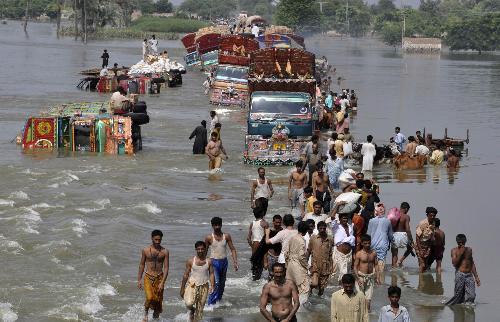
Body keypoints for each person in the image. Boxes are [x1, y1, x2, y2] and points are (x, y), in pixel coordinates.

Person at [205, 217, 238, 305]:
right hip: (213, 262)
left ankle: (218, 301)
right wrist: (202, 265)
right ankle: (210, 303)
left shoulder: (226, 236)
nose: (217, 227)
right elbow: (204, 252)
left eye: (219, 224)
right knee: (216, 283)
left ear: (221, 225)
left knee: (222, 284)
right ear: (212, 226)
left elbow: (233, 249)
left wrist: (235, 262)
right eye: (215, 225)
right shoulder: (209, 238)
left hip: (224, 262)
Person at [137, 230, 169, 322]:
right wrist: (139, 279)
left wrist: (162, 282)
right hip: (148, 276)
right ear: (152, 238)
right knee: (149, 297)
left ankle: (155, 318)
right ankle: (146, 314)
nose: (158, 241)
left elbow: (166, 268)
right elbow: (142, 264)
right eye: (156, 239)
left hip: (159, 277)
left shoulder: (165, 251)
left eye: (159, 239)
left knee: (158, 301)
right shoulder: (145, 250)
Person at [180, 241, 215, 322]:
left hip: (204, 286)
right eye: (198, 249)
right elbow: (185, 275)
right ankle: (192, 310)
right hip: (192, 285)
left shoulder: (209, 261)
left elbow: (211, 274)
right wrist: (182, 288)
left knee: (200, 310)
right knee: (188, 303)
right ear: (196, 249)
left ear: (205, 249)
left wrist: (212, 286)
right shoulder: (190, 261)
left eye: (202, 249)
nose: (200, 251)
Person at [446, 234, 480, 305]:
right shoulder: (454, 250)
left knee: (471, 296)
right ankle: (450, 306)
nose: (461, 244)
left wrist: (476, 277)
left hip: (469, 275)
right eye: (459, 242)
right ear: (457, 242)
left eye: (462, 242)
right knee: (458, 296)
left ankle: (468, 306)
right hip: (460, 274)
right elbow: (454, 264)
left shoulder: (469, 250)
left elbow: (472, 263)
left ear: (465, 241)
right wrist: (461, 253)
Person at [285, 221, 310, 304]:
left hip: (290, 266)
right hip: (298, 266)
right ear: (306, 231)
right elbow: (301, 256)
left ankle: (290, 305)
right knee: (304, 288)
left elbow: (286, 253)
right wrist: (308, 266)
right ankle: (299, 308)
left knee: (292, 288)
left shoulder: (292, 238)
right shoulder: (302, 241)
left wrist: (287, 265)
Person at [367, 206, 393, 285]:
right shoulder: (388, 221)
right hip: (383, 245)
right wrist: (391, 243)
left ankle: (373, 282)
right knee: (381, 264)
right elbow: (390, 235)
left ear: (376, 212)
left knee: (373, 264)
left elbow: (368, 234)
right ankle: (380, 282)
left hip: (373, 245)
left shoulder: (371, 221)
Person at [308, 221, 333, 296]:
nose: (322, 230)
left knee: (321, 288)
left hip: (325, 266)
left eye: (324, 228)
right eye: (320, 228)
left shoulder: (330, 239)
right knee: (315, 283)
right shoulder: (313, 238)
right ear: (318, 229)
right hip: (315, 265)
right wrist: (305, 263)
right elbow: (309, 251)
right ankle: (308, 289)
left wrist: (331, 266)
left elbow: (330, 254)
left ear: (326, 229)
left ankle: (317, 303)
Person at [331, 211, 355, 283]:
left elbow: (351, 242)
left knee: (347, 274)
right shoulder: (336, 227)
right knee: (342, 275)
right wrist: (337, 205)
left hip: (348, 254)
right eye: (343, 218)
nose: (345, 220)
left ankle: (343, 290)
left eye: (346, 218)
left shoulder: (350, 227)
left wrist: (353, 254)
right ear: (340, 219)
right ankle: (340, 291)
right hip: (339, 254)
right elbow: (332, 216)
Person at [353, 234, 376, 311]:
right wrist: (357, 279)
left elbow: (376, 265)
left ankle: (368, 317)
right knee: (360, 299)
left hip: (370, 277)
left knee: (368, 300)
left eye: (369, 243)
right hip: (360, 277)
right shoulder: (359, 254)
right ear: (362, 243)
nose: (367, 245)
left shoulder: (373, 253)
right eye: (365, 243)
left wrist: (378, 277)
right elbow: (355, 267)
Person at [248, 198, 269, 280]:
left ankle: (254, 277)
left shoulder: (252, 223)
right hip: (261, 244)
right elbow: (266, 238)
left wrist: (252, 245)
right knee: (263, 264)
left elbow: (248, 238)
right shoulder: (265, 223)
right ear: (263, 213)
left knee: (255, 263)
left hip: (254, 244)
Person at [391, 202, 415, 268]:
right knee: (410, 248)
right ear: (406, 209)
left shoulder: (394, 215)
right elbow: (407, 229)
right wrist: (411, 240)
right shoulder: (406, 216)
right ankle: (400, 261)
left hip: (394, 235)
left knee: (394, 254)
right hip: (403, 235)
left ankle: (394, 267)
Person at [415, 207, 438, 272]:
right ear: (427, 215)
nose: (432, 217)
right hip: (419, 245)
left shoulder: (433, 223)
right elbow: (417, 237)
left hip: (427, 246)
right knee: (422, 265)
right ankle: (421, 279)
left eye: (434, 216)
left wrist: (429, 247)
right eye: (431, 215)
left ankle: (422, 280)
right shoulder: (422, 223)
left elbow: (431, 235)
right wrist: (420, 250)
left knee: (425, 265)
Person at [267, 215, 283, 280]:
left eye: (279, 222)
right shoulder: (269, 231)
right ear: (273, 222)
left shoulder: (283, 231)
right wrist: (265, 261)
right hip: (271, 256)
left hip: (280, 256)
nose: (278, 224)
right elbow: (264, 247)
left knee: (281, 275)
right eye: (276, 222)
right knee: (271, 274)